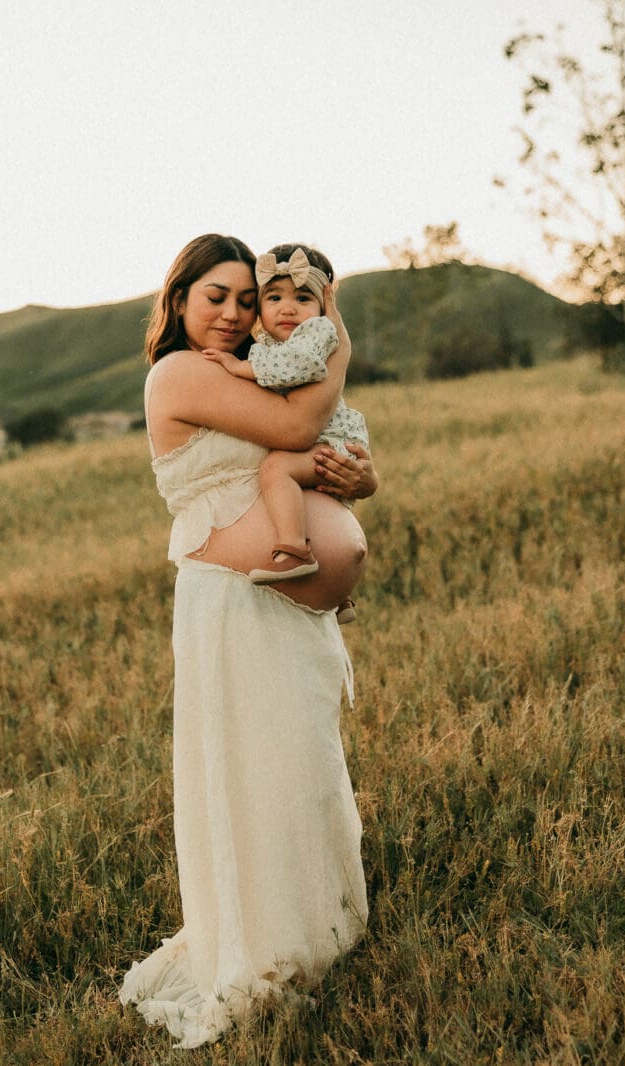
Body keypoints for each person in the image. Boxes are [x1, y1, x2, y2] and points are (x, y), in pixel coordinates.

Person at [119, 234, 376, 1048]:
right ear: (180, 302)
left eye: (245, 297)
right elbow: (301, 415)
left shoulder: (260, 362)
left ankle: (317, 932)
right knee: (255, 775)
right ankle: (262, 946)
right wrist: (339, 335)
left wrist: (360, 480)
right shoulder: (181, 372)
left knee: (300, 769)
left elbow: (309, 440)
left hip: (284, 606)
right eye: (215, 298)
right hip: (232, 604)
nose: (232, 315)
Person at [199, 243, 368, 620]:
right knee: (314, 505)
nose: (288, 308)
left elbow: (297, 368)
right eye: (273, 297)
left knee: (277, 469)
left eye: (303, 297)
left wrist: (239, 366)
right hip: (328, 441)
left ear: (326, 305)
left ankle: (294, 549)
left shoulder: (317, 333)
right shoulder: (273, 344)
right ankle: (339, 593)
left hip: (331, 441)